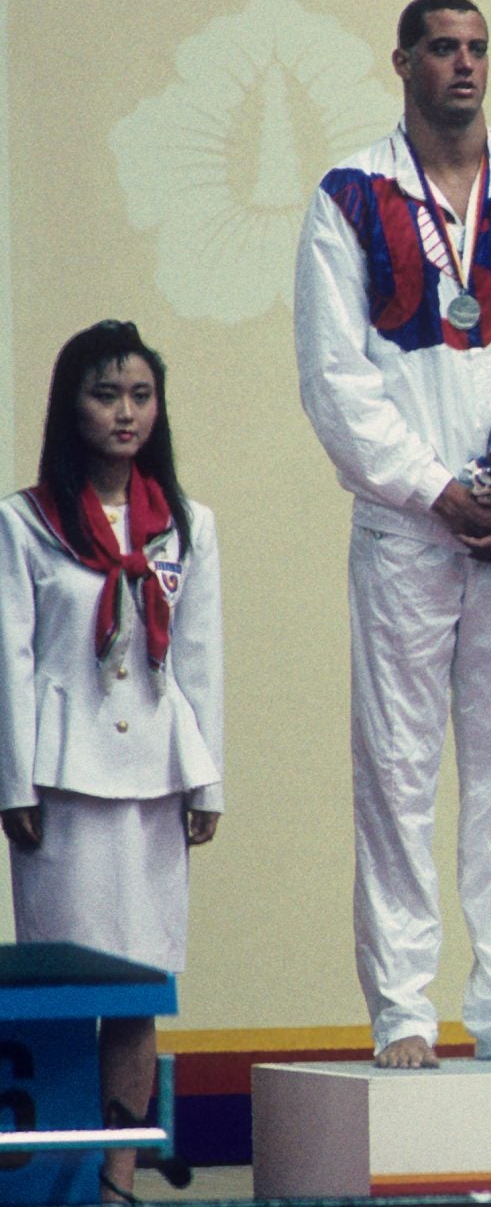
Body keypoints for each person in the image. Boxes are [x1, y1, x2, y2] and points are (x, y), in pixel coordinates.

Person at [294, 0, 491, 1068]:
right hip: (407, 531)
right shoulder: (351, 197)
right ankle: (406, 1011)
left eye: (477, 47)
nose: (464, 65)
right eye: (442, 48)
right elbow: (336, 382)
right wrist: (433, 489)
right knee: (397, 769)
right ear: (402, 63)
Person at [0, 322, 221, 1197]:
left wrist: (208, 778)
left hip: (156, 784)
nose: (125, 413)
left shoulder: (188, 524)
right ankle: (51, 1177)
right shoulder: (25, 522)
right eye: (105, 394)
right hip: (62, 784)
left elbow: (200, 659)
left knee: (141, 986)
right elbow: (10, 663)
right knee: (63, 990)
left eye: (140, 395)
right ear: (70, 405)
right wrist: (11, 780)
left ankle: (119, 1181)